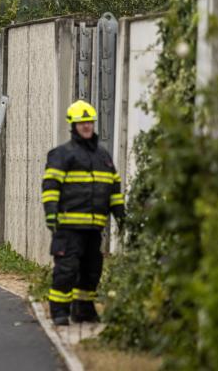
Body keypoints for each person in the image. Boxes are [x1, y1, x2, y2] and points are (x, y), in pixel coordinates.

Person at [43, 100, 125, 326]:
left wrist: (121, 215)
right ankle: (59, 312)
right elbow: (50, 187)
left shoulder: (103, 156)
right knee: (66, 270)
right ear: (73, 125)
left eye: (89, 122)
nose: (87, 126)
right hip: (69, 227)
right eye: (82, 123)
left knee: (91, 271)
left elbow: (114, 189)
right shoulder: (61, 155)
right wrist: (51, 213)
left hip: (94, 227)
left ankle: (83, 311)